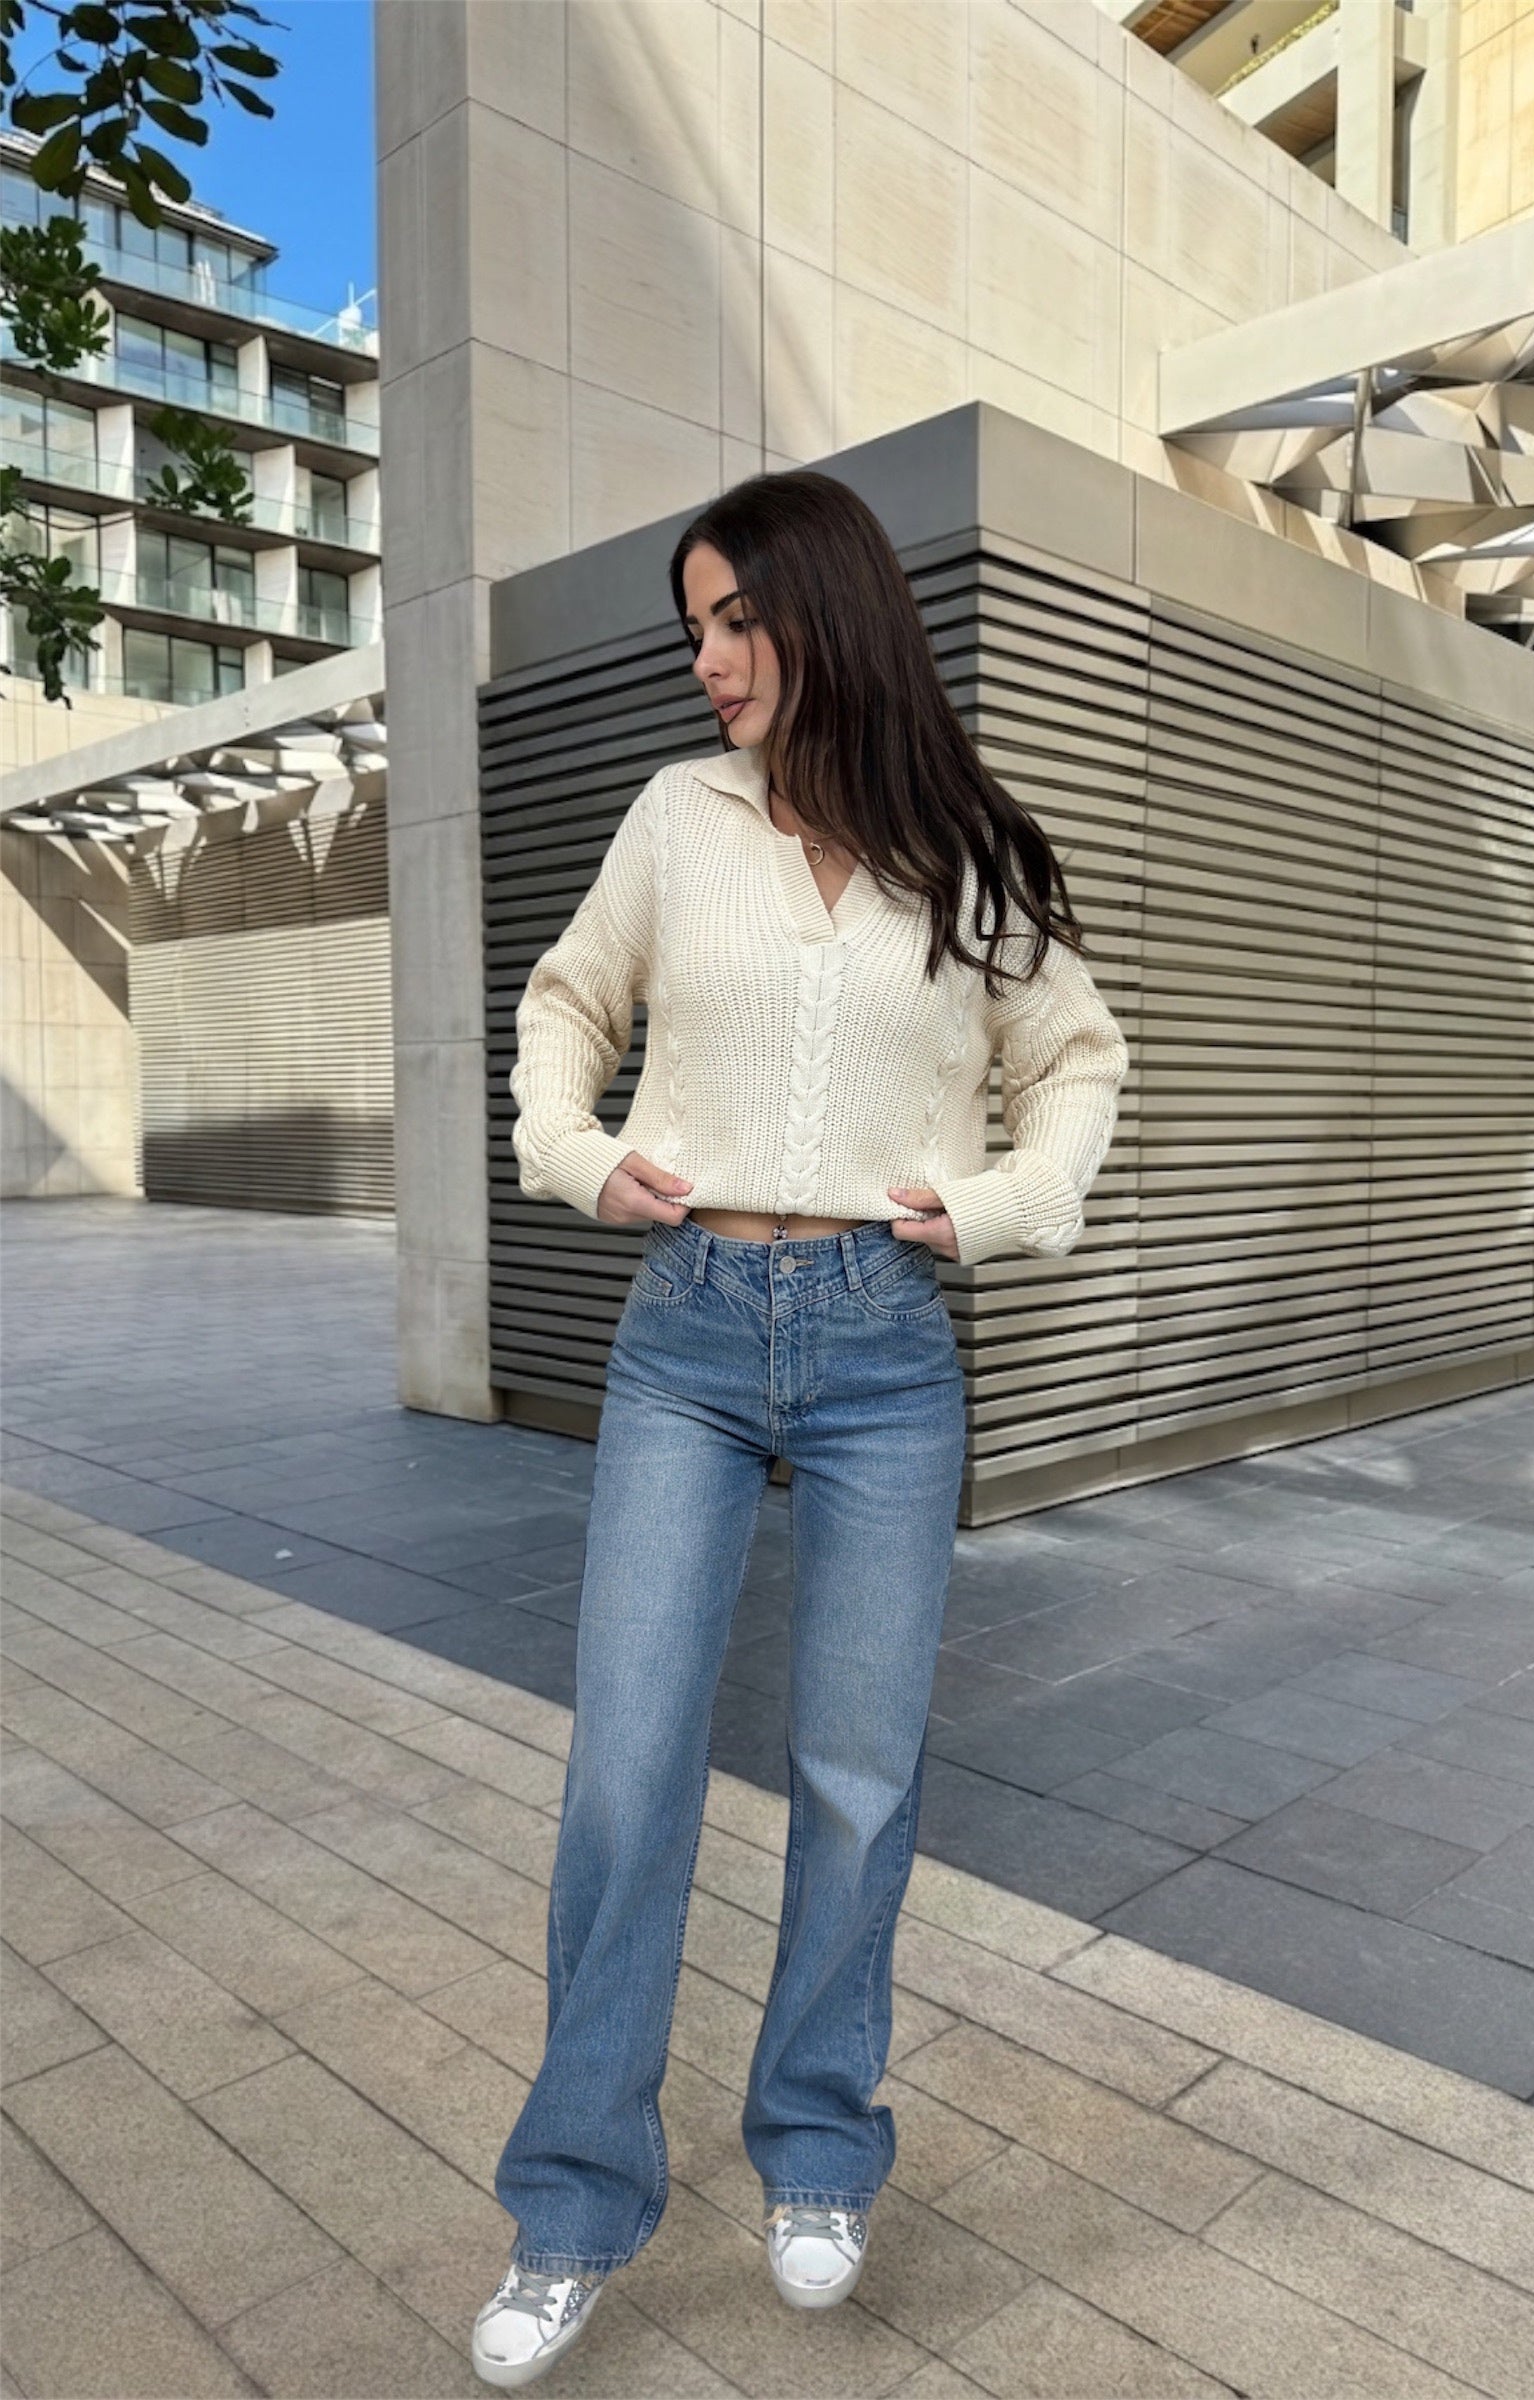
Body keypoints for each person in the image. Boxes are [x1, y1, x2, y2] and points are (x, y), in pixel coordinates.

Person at [471, 469, 1129, 2388]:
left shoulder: (964, 854)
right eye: (692, 626)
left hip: (883, 1342)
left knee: (856, 1772)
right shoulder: (678, 819)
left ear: (822, 613)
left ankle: (821, 2149)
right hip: (684, 1327)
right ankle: (575, 2203)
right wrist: (575, 1160)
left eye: (733, 620)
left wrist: (1000, 1209)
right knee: (628, 1775)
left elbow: (1078, 1058)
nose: (708, 660)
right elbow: (565, 1003)